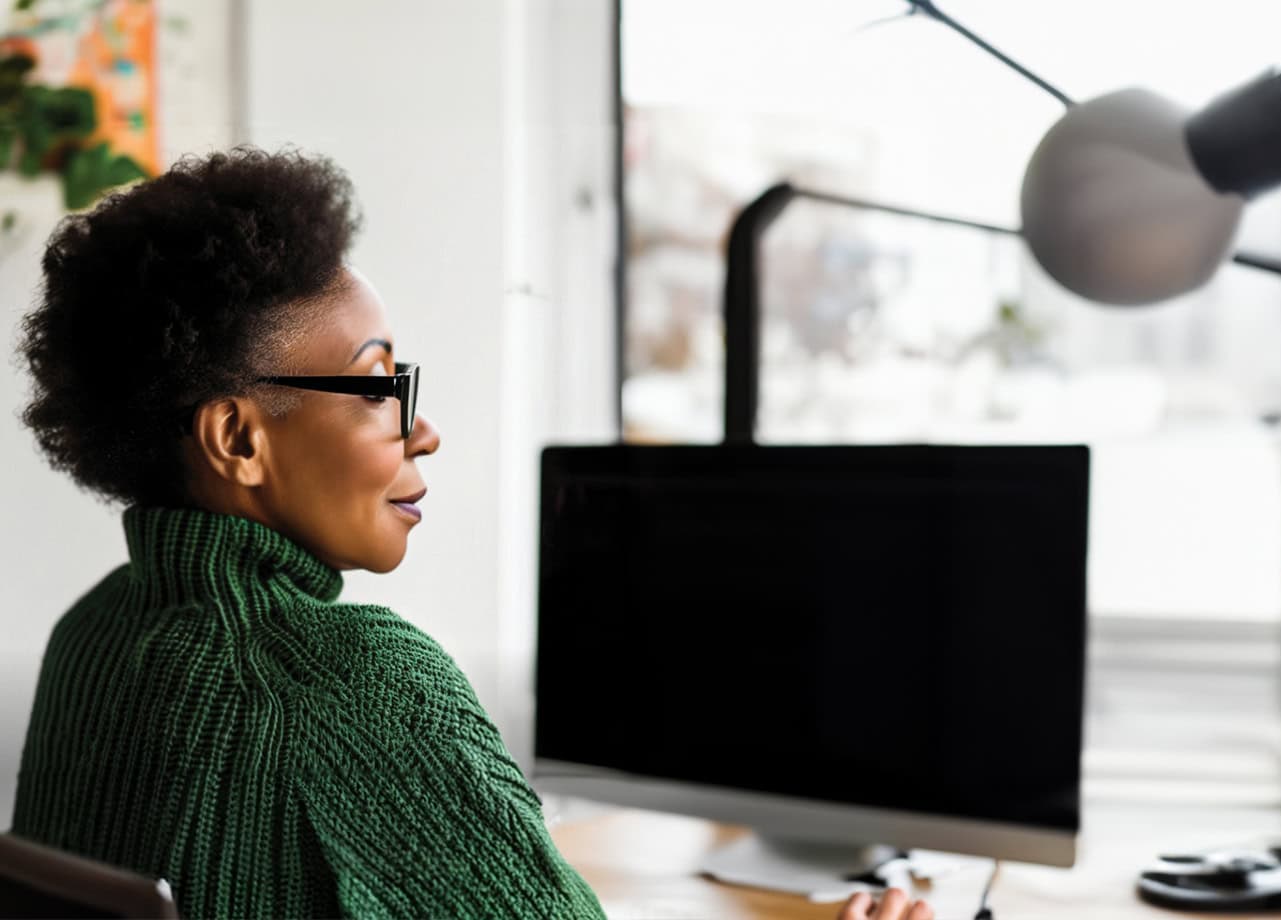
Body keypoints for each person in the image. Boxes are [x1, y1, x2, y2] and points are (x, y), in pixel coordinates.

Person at [10, 148, 932, 920]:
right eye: (379, 388)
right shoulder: (356, 684)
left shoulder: (96, 632)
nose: (423, 429)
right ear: (239, 439)